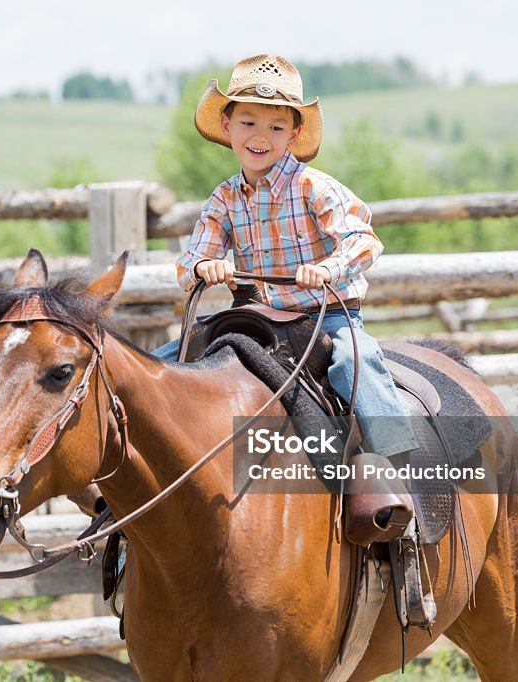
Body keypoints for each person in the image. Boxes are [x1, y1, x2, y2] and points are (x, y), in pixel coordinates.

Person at [154, 54, 419, 467]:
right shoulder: (224, 198)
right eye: (248, 123)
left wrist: (328, 268)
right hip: (256, 321)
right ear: (227, 126)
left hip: (328, 318)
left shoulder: (313, 186)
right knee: (158, 366)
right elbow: (191, 260)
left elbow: (364, 241)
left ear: (294, 134)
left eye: (276, 127)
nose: (261, 136)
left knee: (355, 360)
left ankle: (402, 464)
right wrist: (205, 267)